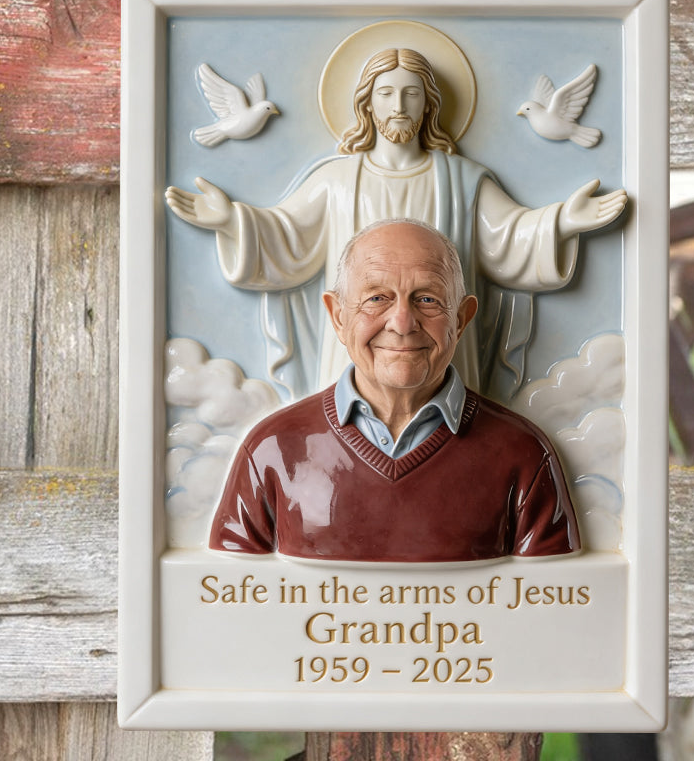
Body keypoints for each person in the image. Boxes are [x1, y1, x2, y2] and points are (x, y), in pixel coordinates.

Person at [166, 45, 626, 400]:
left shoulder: (460, 179)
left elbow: (506, 240)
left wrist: (563, 222)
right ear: (367, 104)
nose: (399, 105)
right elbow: (286, 238)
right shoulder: (338, 179)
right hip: (358, 348)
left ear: (430, 104)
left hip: (437, 346)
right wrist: (232, 221)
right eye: (386, 93)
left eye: (412, 93)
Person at [210, 220, 580, 562]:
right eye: (377, 298)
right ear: (338, 316)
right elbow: (229, 603)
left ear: (462, 318)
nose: (402, 323)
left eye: (428, 299)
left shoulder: (524, 454)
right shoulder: (271, 450)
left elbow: (552, 611)